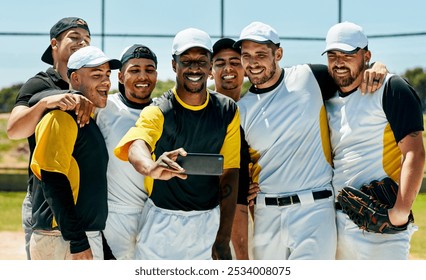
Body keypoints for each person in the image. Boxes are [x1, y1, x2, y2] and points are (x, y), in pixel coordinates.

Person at [235, 21, 387, 260]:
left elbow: (349, 72)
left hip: (315, 209)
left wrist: (377, 65)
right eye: (246, 55)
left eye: (261, 54)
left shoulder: (309, 77)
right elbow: (241, 171)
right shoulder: (240, 110)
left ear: (279, 54)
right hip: (267, 215)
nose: (253, 62)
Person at [114, 28, 241, 260]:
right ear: (174, 65)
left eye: (202, 61)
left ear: (210, 66)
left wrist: (223, 238)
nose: (194, 68)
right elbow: (137, 144)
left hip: (208, 221)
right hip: (161, 222)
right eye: (186, 61)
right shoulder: (159, 110)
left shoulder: (227, 110)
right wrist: (151, 167)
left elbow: (230, 174)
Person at [323, 21, 424, 259]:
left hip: (381, 227)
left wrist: (400, 211)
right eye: (332, 55)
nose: (339, 61)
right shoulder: (327, 98)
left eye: (348, 54)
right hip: (336, 225)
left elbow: (414, 153)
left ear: (366, 55)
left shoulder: (391, 88)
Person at [6, 17, 94, 260]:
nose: (82, 42)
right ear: (54, 44)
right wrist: (45, 102)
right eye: (74, 37)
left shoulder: (91, 83)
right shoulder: (40, 83)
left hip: (85, 198)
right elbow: (14, 130)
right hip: (46, 197)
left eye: (86, 39)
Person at [28, 46, 121, 260]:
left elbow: (88, 194)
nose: (106, 81)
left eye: (108, 75)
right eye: (97, 75)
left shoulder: (87, 121)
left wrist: (101, 246)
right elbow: (53, 180)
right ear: (76, 79)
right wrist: (78, 240)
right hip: (62, 239)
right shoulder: (60, 117)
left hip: (80, 236)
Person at [94, 44, 158, 259]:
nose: (143, 76)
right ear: (120, 76)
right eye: (134, 70)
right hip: (115, 215)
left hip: (156, 214)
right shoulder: (104, 108)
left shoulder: (163, 110)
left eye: (149, 70)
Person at [211, 38, 251, 260]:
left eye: (235, 61)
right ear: (210, 70)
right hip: (211, 213)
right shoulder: (200, 109)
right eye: (220, 63)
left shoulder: (256, 107)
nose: (228, 68)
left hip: (254, 212)